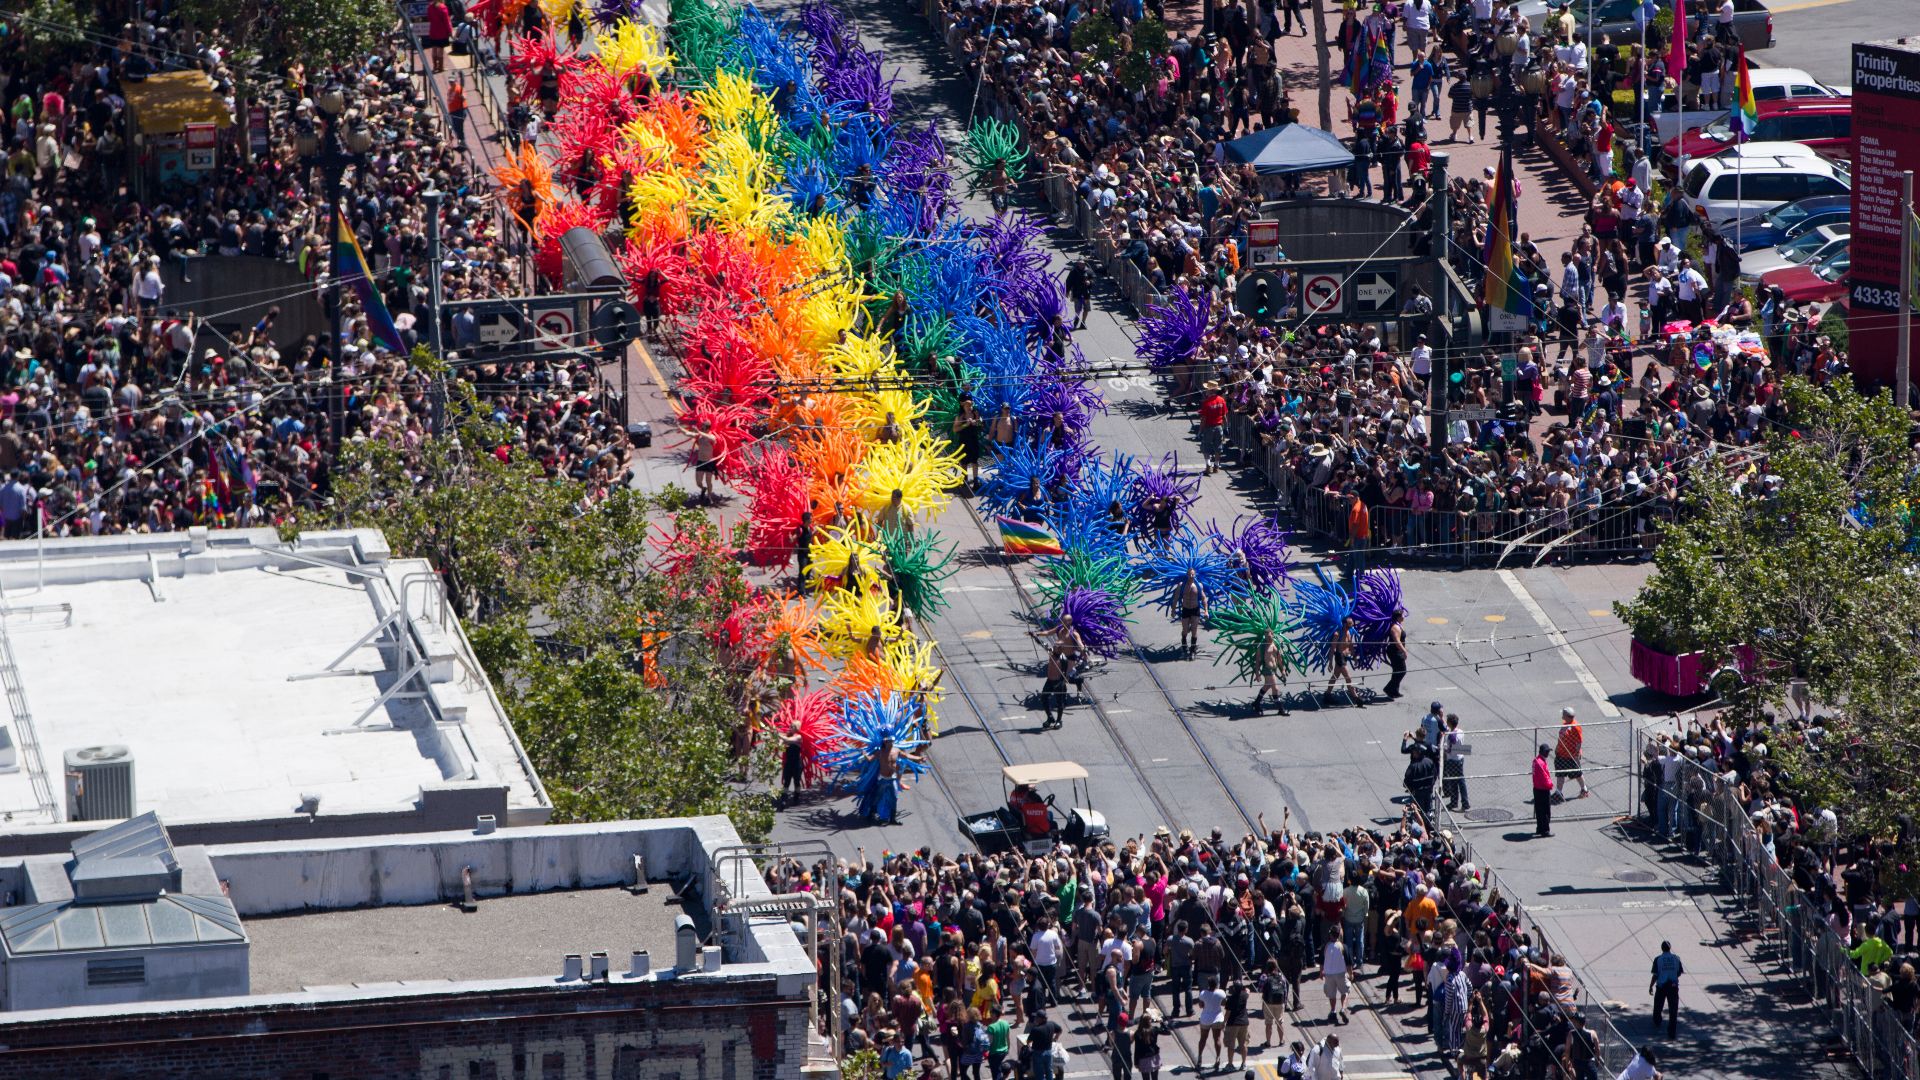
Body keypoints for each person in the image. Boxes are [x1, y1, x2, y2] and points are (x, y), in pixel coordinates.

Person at [1325, 617, 1363, 707]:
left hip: (1345, 657)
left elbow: (1351, 646)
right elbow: (1332, 649)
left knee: (1335, 676)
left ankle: (1327, 695)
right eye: (1350, 623)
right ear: (1345, 624)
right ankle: (1356, 698)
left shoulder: (1349, 632)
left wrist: (1354, 657)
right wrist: (1330, 662)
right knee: (1348, 677)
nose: (1352, 625)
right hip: (1339, 657)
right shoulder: (1337, 634)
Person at [1251, 630, 1291, 715]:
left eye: (1269, 636)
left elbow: (1279, 660)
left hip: (1273, 670)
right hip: (1267, 670)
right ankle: (1281, 709)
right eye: (1266, 637)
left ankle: (1256, 703)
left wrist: (1283, 671)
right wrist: (1257, 674)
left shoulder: (1275, 645)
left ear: (1272, 635)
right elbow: (1257, 661)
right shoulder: (1262, 647)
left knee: (1267, 686)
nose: (1267, 638)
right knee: (1275, 689)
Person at [1649, 939, 1682, 1038]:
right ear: (1670, 948)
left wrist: (1650, 986)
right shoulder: (1676, 959)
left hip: (1662, 986)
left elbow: (1655, 975)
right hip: (1673, 986)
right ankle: (1672, 1032)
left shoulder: (1658, 959)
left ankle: (1657, 1021)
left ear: (1662, 948)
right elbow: (1679, 972)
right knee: (1673, 1010)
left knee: (1658, 1005)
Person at [1555, 708, 1589, 800]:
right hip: (1561, 754)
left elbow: (1579, 742)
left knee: (1577, 774)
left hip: (1570, 756)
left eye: (1563, 714)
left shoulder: (1575, 727)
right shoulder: (1566, 723)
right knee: (1560, 774)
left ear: (1567, 716)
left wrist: (1576, 754)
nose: (1562, 716)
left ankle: (1584, 790)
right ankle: (1558, 793)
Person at [1195, 975, 1228, 1069]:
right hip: (1217, 1018)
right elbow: (1224, 1003)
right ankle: (1217, 1057)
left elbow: (1201, 1006)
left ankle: (1200, 1057)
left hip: (1205, 1018)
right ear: (1216, 983)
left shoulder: (1203, 993)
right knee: (1217, 1039)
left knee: (1203, 1038)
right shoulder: (1221, 993)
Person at [1322, 926, 1352, 1025]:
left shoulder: (1326, 946)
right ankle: (1343, 1008)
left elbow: (1321, 960)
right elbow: (1348, 963)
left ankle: (1333, 1011)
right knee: (1345, 991)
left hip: (1328, 974)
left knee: (1332, 994)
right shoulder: (1343, 947)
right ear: (1339, 935)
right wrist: (1351, 974)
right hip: (1340, 973)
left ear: (1330, 934)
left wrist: (1321, 971)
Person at [1198, 381, 1229, 474]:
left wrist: (1200, 431)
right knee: (1218, 447)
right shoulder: (1221, 400)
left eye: (1206, 389)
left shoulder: (1206, 403)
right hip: (1219, 427)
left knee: (1205, 447)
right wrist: (1226, 427)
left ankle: (1208, 466)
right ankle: (1216, 466)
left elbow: (1204, 419)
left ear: (1210, 390)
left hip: (1209, 427)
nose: (1205, 391)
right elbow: (1224, 416)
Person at [1441, 714, 1470, 812]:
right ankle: (1460, 802)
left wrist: (1442, 748)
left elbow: (1448, 750)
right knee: (1461, 781)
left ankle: (1457, 802)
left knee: (1454, 782)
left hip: (1452, 760)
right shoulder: (1460, 732)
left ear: (1450, 723)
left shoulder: (1450, 736)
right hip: (1460, 758)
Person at [1176, 569, 1207, 657]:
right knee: (1185, 630)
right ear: (1187, 575)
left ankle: (1192, 650)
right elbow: (1176, 597)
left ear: (1195, 575)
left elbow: (1204, 598)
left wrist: (1206, 611)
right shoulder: (1182, 585)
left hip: (1195, 609)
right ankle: (1184, 642)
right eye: (1190, 574)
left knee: (1194, 630)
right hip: (1185, 609)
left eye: (1193, 574)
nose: (1191, 576)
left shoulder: (1199, 585)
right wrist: (1173, 610)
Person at [777, 718, 806, 807]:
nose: (790, 727)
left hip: (797, 764)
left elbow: (789, 740)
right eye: (790, 725)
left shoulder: (799, 737)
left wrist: (779, 735)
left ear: (797, 728)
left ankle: (796, 797)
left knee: (796, 782)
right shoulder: (787, 736)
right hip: (788, 763)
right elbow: (782, 743)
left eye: (793, 726)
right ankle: (783, 800)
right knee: (787, 782)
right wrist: (779, 742)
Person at [1381, 609, 1408, 698]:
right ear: (1398, 617)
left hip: (1397, 651)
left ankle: (1395, 690)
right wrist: (1404, 651)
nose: (1403, 617)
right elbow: (1397, 641)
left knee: (1397, 671)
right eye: (1402, 615)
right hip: (1394, 651)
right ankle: (1388, 688)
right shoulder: (1395, 628)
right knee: (1402, 671)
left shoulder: (1399, 625)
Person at [1532, 744, 1555, 838]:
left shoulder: (1536, 760)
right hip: (1543, 789)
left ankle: (1539, 828)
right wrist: (1551, 785)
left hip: (1536, 788)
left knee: (1539, 810)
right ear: (1543, 752)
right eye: (1547, 752)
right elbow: (1545, 777)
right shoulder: (1541, 763)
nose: (1548, 753)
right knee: (1546, 811)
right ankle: (1545, 830)